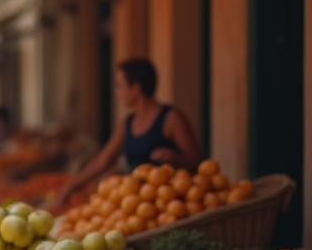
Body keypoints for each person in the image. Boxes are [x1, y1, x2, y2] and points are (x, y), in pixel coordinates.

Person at [57, 57, 203, 205]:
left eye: (119, 86)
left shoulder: (171, 118)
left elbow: (197, 160)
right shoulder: (128, 123)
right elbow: (102, 160)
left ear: (136, 88)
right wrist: (69, 187)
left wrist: (174, 158)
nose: (115, 92)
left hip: (166, 204)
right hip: (134, 204)